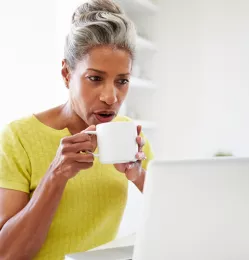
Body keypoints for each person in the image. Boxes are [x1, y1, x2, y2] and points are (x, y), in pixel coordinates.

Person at [0, 0, 153, 259]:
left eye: (122, 81)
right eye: (95, 78)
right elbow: (7, 253)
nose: (111, 97)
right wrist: (55, 176)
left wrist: (138, 176)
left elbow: (177, 224)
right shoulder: (18, 139)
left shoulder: (130, 138)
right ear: (67, 73)